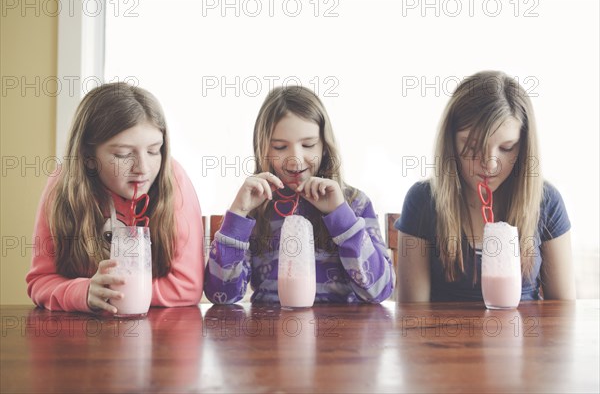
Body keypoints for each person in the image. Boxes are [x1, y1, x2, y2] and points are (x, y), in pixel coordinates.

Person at [395, 70, 575, 302]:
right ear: (450, 142)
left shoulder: (546, 201)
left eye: (507, 148)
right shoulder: (423, 201)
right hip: (444, 338)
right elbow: (413, 314)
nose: (490, 164)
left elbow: (563, 311)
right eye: (472, 145)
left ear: (523, 147)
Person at [204, 86, 394, 304]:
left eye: (308, 144)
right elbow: (222, 295)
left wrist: (341, 217)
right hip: (272, 333)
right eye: (280, 147)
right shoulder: (257, 207)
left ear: (324, 145)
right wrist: (238, 215)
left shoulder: (354, 204)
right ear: (263, 148)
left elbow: (380, 290)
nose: (295, 159)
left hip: (343, 334)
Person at [26, 82, 204, 313]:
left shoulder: (173, 179)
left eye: (153, 151)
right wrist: (85, 292)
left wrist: (115, 295)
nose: (143, 168)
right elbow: (41, 281)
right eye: (123, 154)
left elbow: (186, 287)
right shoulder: (63, 185)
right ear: (88, 156)